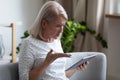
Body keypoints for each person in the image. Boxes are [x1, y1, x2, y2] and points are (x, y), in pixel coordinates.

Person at [18, 1, 88, 80]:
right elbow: (24, 78)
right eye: (58, 26)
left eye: (63, 26)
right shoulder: (28, 44)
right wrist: (46, 62)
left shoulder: (56, 42)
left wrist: (76, 68)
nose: (61, 30)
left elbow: (59, 75)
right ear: (44, 23)